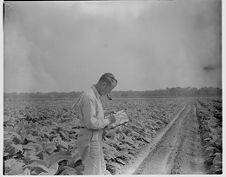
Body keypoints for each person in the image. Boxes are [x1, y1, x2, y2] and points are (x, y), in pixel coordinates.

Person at [75, 73, 117, 175]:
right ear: (103, 84)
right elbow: (91, 123)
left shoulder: (94, 95)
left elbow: (93, 114)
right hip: (89, 139)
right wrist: (109, 120)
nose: (110, 92)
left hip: (94, 138)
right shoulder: (90, 97)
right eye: (110, 89)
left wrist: (106, 112)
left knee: (100, 169)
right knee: (93, 172)